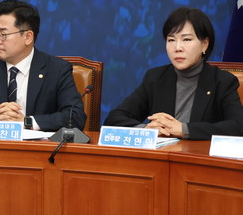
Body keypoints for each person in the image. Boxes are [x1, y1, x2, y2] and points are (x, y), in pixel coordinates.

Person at [104, 7, 243, 140]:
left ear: (204, 44)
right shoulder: (155, 78)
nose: (177, 48)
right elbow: (114, 118)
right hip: (163, 154)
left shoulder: (222, 81)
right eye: (171, 40)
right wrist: (146, 130)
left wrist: (184, 130)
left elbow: (239, 127)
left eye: (186, 39)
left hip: (199, 155)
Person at [0, 0, 85, 131]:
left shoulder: (56, 69)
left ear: (28, 37)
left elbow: (75, 117)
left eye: (3, 34)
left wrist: (26, 122)